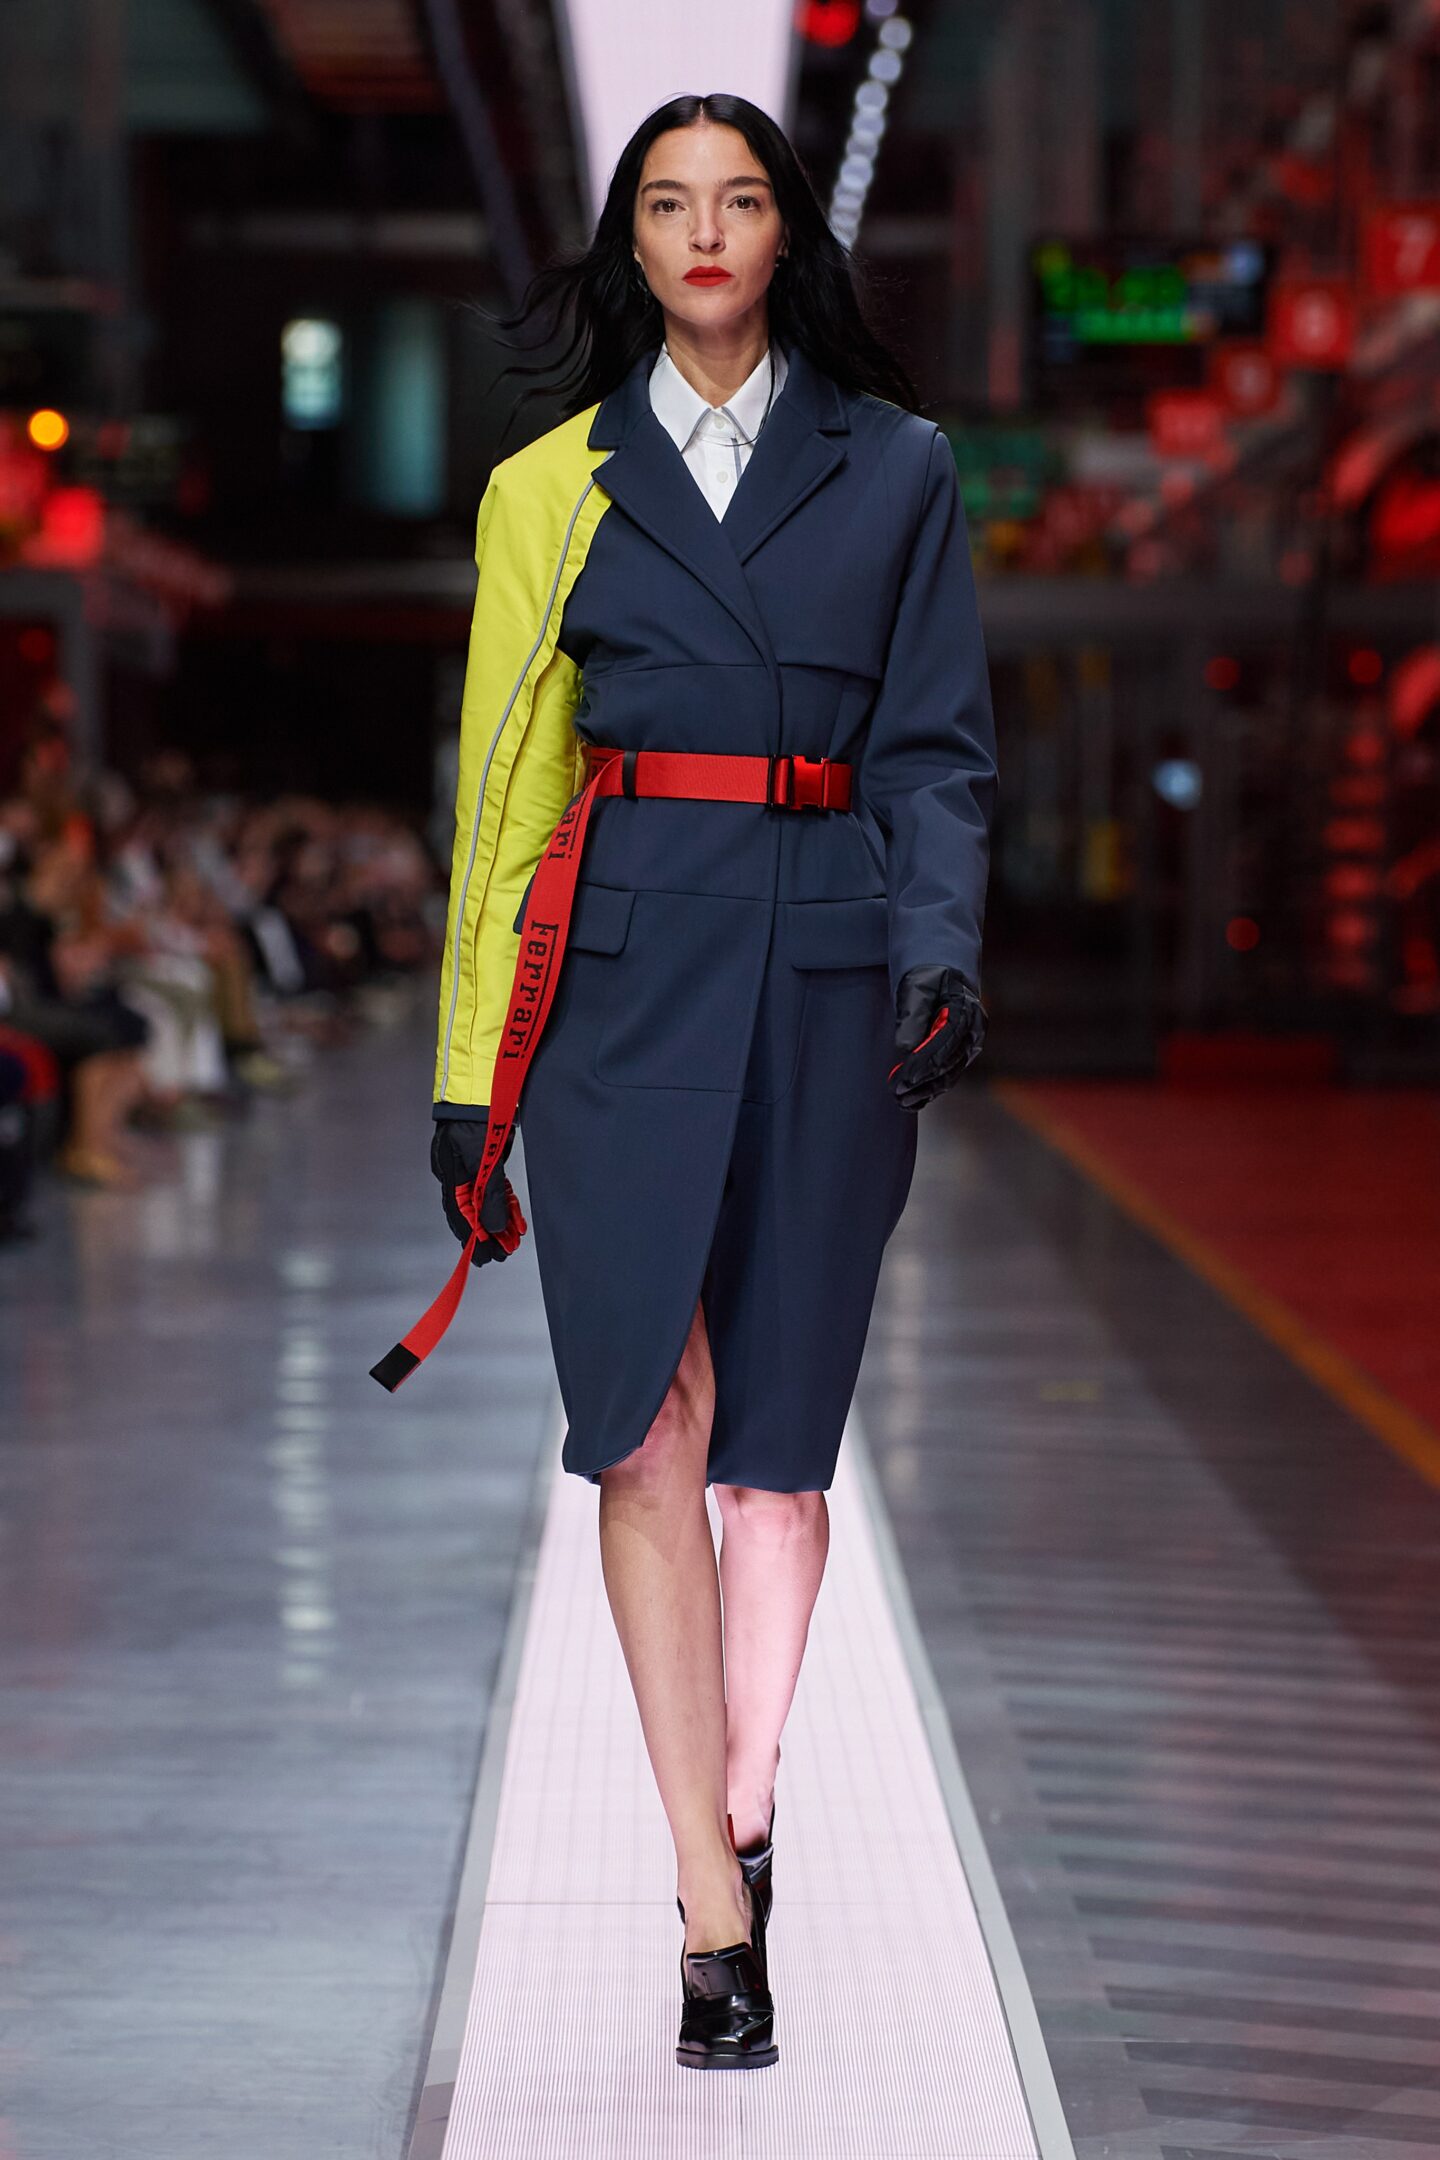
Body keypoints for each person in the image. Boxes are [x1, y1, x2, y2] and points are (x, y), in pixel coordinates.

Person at [397, 92, 997, 2069]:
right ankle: (711, 1900)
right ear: (632, 244)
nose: (708, 231)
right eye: (670, 204)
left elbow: (937, 749)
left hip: (828, 971)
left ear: (783, 234)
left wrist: (938, 944)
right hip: (625, 989)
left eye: (740, 199)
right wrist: (470, 1078)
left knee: (779, 1458)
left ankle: (743, 1795)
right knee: (647, 1419)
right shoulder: (545, 489)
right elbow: (504, 795)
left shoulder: (897, 469)